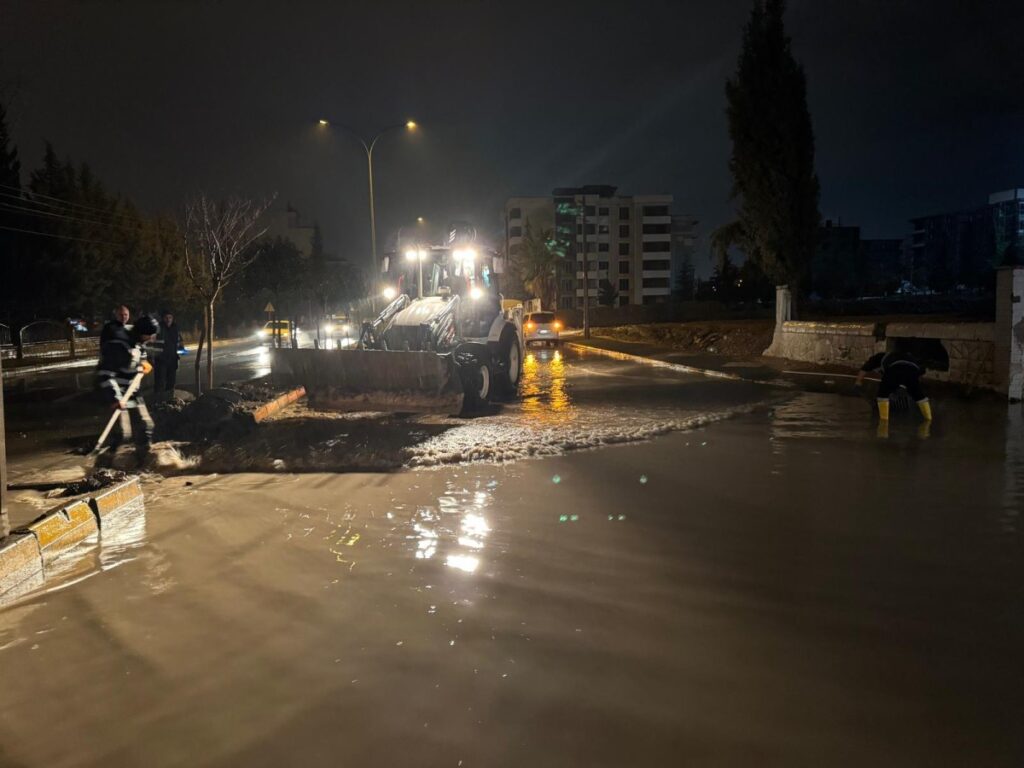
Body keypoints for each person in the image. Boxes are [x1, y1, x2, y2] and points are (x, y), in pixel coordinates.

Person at [96, 314, 158, 465]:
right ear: (142, 333)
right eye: (149, 335)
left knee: (145, 426)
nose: (151, 339)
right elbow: (105, 373)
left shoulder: (137, 341)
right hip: (115, 392)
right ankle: (103, 467)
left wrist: (144, 364)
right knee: (122, 433)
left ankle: (143, 462)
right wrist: (115, 397)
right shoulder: (118, 344)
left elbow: (140, 356)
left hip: (132, 390)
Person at [855, 344, 933, 424]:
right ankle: (928, 420)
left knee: (882, 394)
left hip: (895, 369)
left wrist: (858, 381)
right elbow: (919, 373)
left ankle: (884, 422)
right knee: (919, 395)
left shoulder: (878, 358)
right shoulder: (908, 357)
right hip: (913, 370)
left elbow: (864, 369)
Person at [152, 309, 183, 395]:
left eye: (170, 317)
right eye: (166, 317)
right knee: (160, 383)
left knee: (171, 382)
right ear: (163, 318)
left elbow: (179, 341)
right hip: (161, 360)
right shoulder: (158, 328)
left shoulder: (175, 328)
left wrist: (180, 349)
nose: (168, 319)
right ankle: (157, 402)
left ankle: (168, 402)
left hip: (172, 360)